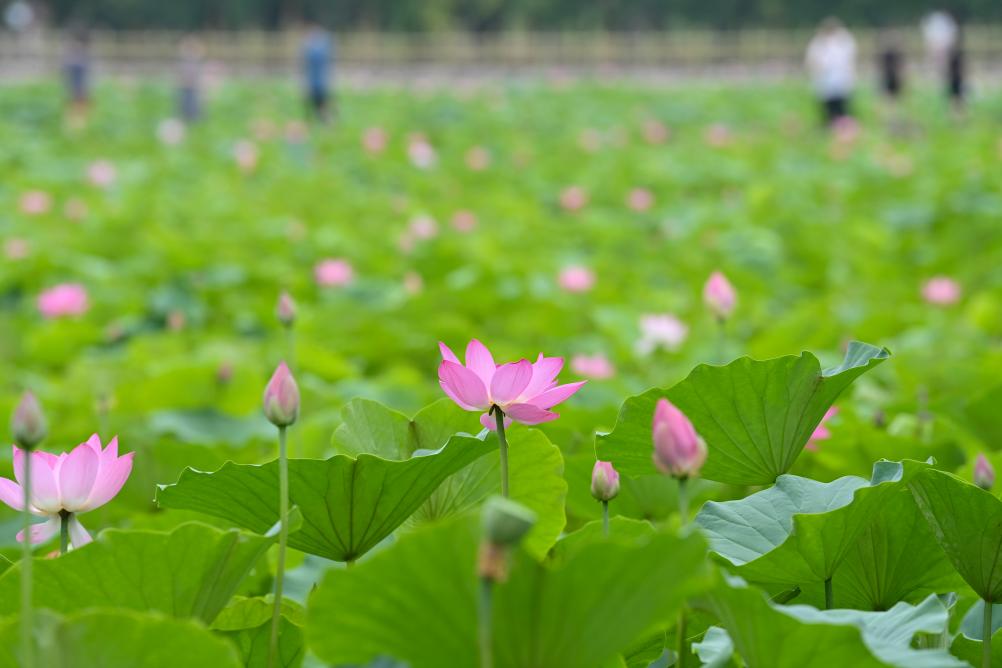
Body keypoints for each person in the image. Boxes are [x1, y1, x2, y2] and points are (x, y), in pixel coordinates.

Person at [805, 18, 857, 126]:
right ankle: (833, 127)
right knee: (829, 109)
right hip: (826, 81)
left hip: (840, 81)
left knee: (841, 108)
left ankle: (842, 128)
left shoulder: (843, 41)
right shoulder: (819, 43)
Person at [301, 24, 333, 122]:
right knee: (317, 106)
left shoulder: (315, 49)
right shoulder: (323, 47)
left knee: (319, 105)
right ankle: (322, 123)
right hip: (317, 83)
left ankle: (324, 122)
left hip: (317, 83)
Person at [63, 27, 92, 123]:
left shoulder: (75, 53)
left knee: (76, 110)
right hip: (78, 87)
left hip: (77, 87)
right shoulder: (82, 53)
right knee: (77, 110)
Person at [177, 35, 205, 123]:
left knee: (194, 110)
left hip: (193, 88)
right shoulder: (184, 61)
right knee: (184, 110)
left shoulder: (196, 61)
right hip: (185, 88)